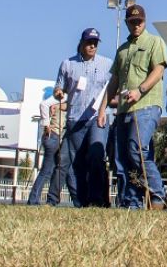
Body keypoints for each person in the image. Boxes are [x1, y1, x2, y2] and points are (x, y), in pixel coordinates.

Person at [101, 4, 167, 210]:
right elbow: (114, 81)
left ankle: (158, 195)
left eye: (139, 21)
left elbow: (158, 70)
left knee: (136, 148)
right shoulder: (122, 50)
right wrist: (102, 108)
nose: (136, 25)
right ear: (127, 23)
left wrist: (140, 90)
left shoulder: (154, 42)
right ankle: (131, 202)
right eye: (132, 22)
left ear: (145, 21)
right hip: (123, 110)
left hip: (147, 105)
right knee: (121, 157)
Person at [54, 27, 113, 208]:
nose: (92, 45)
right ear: (81, 43)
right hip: (75, 118)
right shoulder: (67, 64)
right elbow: (60, 87)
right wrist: (58, 93)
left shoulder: (107, 64)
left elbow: (113, 88)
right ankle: (82, 201)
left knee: (96, 156)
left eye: (95, 43)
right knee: (78, 163)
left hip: (98, 117)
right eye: (89, 42)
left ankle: (97, 199)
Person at [27, 95, 67, 205]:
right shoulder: (63, 96)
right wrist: (46, 124)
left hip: (54, 136)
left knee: (49, 171)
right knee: (46, 172)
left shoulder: (63, 101)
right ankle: (33, 200)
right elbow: (43, 104)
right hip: (53, 136)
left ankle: (36, 199)